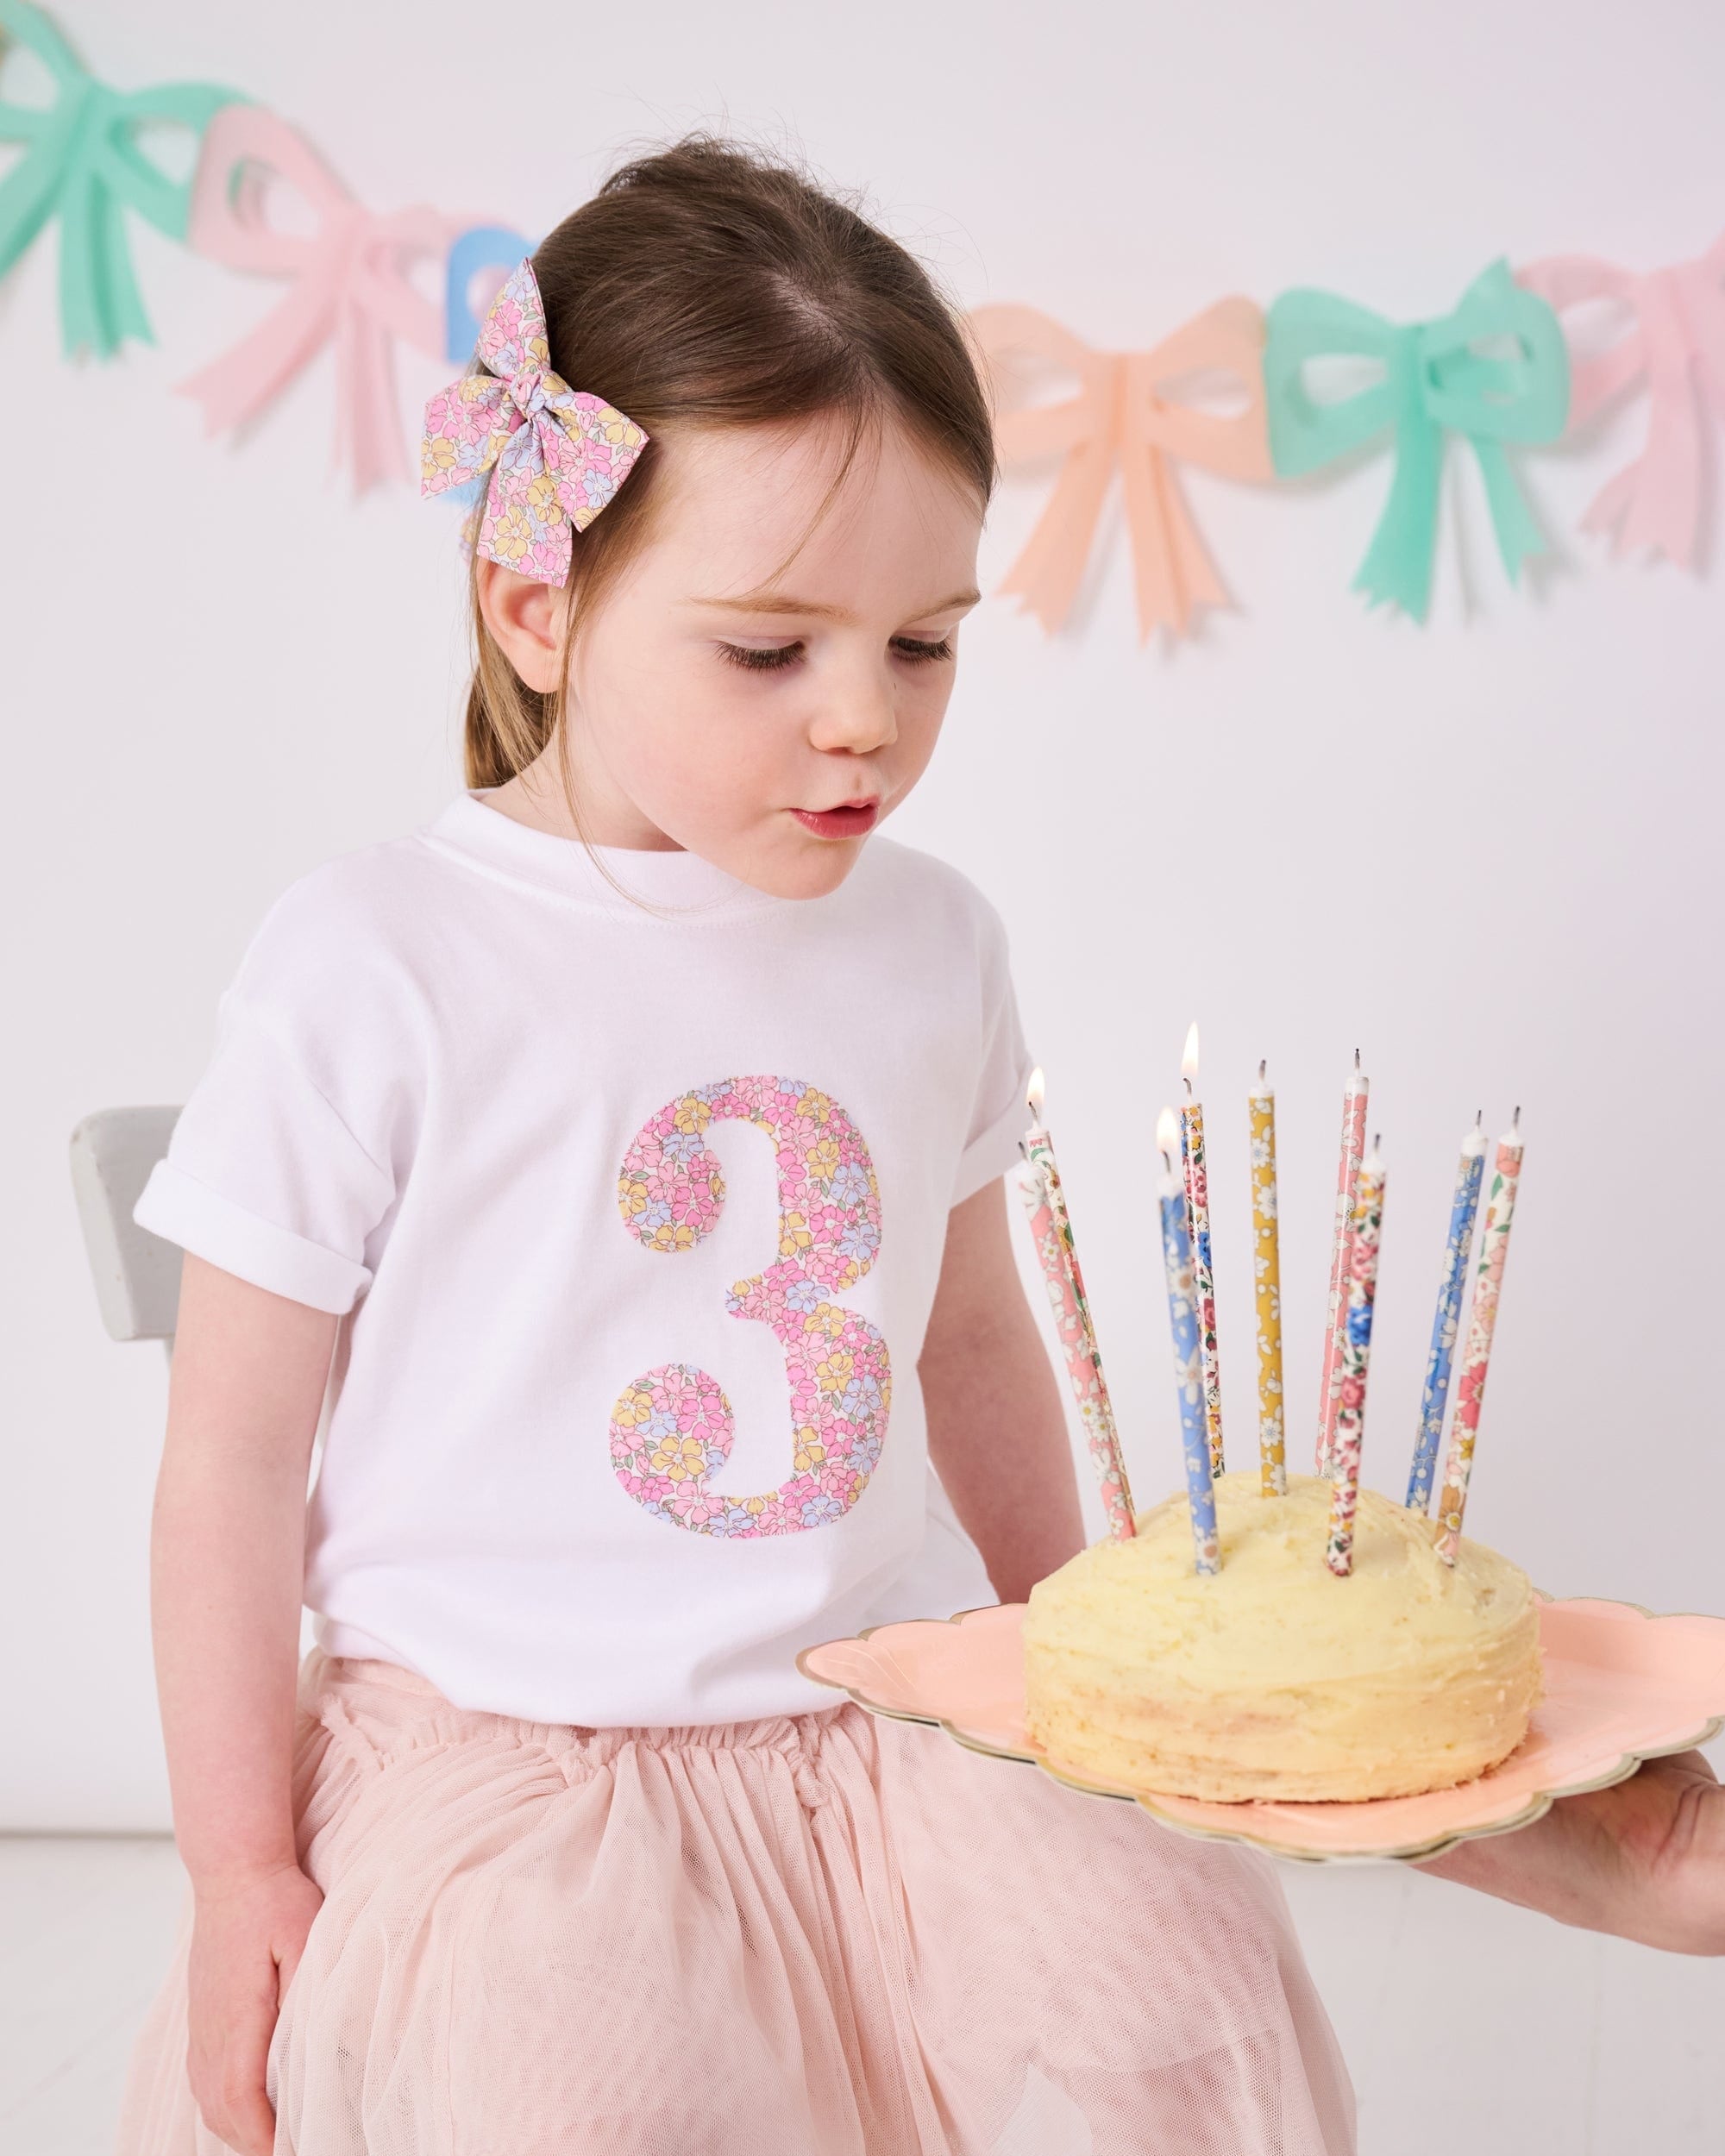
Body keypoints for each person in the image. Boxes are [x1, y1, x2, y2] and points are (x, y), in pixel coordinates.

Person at [115, 132, 1722, 2156]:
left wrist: (1099, 1674)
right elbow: (231, 1469)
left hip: (890, 1696)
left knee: (1175, 1961)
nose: (863, 717)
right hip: (511, 1755)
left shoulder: (927, 944)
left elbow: (969, 1345)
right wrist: (235, 1862)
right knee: (594, 2087)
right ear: (539, 599)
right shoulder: (378, 958)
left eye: (926, 641)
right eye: (769, 649)